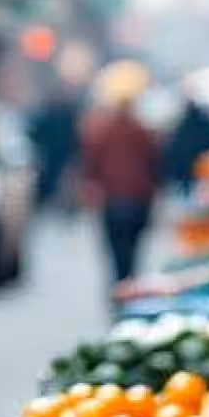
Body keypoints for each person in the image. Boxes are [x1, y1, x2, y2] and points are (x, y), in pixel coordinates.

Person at [79, 72, 160, 290]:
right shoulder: (141, 128)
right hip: (136, 196)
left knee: (117, 253)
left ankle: (121, 289)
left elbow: (90, 163)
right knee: (131, 252)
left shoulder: (99, 128)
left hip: (113, 198)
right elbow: (153, 162)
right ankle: (128, 287)